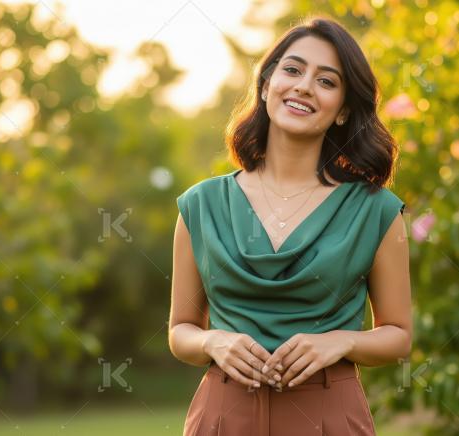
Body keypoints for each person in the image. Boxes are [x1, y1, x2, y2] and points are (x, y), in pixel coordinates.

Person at [169, 15, 411, 436]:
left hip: (329, 417)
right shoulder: (201, 204)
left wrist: (343, 341)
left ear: (343, 110)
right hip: (222, 417)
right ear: (266, 85)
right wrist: (212, 341)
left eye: (326, 81)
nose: (304, 86)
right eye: (293, 70)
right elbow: (180, 331)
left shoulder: (377, 211)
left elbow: (398, 334)